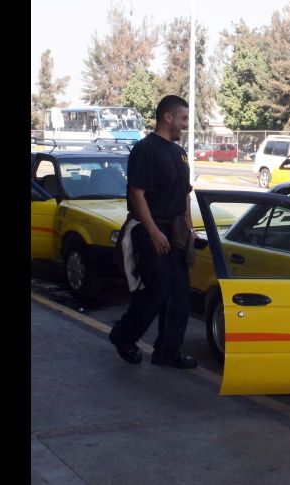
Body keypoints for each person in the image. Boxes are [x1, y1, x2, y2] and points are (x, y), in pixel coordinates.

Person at [108, 95, 197, 369]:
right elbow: (137, 194)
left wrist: (189, 228)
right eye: (183, 118)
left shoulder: (179, 154)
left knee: (180, 292)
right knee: (156, 290)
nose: (185, 124)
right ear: (167, 117)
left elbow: (184, 194)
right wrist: (154, 232)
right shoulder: (145, 149)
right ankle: (123, 336)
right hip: (151, 229)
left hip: (176, 231)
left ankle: (167, 352)